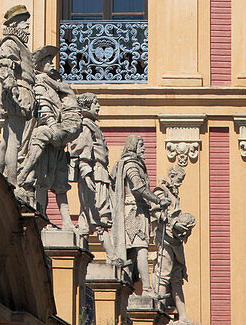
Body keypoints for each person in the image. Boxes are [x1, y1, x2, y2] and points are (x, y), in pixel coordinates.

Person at [17, 45, 82, 229]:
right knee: (42, 180)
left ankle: (67, 221)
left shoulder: (53, 84)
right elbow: (44, 109)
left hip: (58, 144)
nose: (52, 64)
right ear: (39, 65)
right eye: (48, 61)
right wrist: (54, 128)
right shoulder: (40, 83)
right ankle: (42, 217)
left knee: (60, 182)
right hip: (49, 139)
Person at [106, 134, 167, 291]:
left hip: (137, 210)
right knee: (141, 248)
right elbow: (138, 187)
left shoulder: (133, 164)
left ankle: (128, 287)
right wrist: (158, 200)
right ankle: (146, 288)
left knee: (132, 252)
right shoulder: (132, 165)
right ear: (133, 146)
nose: (144, 148)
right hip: (133, 211)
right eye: (140, 145)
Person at [0, 5, 35, 186]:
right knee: (15, 140)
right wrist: (12, 87)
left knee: (6, 141)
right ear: (15, 24)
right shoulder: (11, 43)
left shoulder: (17, 43)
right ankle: (12, 182)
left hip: (19, 91)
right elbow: (5, 66)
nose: (27, 26)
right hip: (17, 92)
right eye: (24, 22)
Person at [70, 92, 112, 236]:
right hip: (94, 173)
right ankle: (112, 256)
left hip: (98, 172)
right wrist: (86, 174)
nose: (99, 106)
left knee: (88, 213)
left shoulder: (91, 125)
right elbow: (83, 150)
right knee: (99, 215)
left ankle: (83, 232)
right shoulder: (86, 126)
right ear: (88, 106)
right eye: (96, 103)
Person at [152, 210, 197, 323]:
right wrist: (174, 223)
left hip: (176, 240)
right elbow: (155, 211)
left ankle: (183, 316)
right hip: (165, 237)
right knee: (163, 275)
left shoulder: (173, 194)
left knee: (177, 278)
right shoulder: (161, 191)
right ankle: (160, 311)